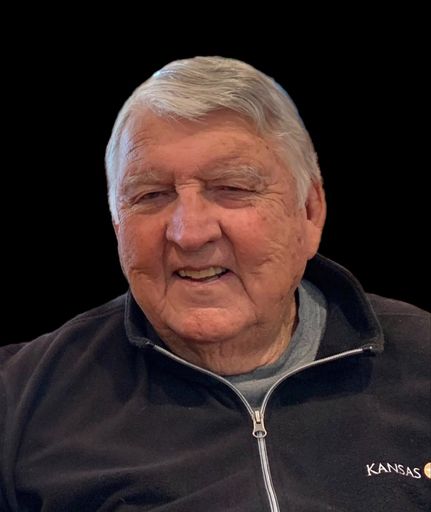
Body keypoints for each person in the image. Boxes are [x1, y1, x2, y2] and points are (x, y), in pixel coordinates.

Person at [0, 56, 429, 512]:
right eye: (151, 195)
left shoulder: (423, 359)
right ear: (117, 225)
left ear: (309, 212)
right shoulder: (19, 400)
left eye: (232, 188)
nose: (189, 232)